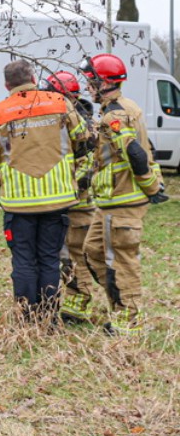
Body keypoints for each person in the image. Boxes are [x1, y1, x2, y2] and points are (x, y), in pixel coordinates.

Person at [0, 59, 89, 325]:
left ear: (6, 85)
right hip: (57, 199)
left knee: (23, 261)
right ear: (33, 79)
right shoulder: (60, 103)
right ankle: (49, 317)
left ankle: (26, 319)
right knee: (49, 259)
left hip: (18, 202)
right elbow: (84, 139)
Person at [80, 53, 167, 337]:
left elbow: (135, 153)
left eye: (91, 81)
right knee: (92, 252)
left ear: (105, 83)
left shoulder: (114, 115)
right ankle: (120, 307)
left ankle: (129, 322)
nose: (88, 86)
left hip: (123, 201)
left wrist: (151, 187)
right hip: (109, 202)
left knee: (122, 261)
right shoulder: (122, 108)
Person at [43, 70, 99, 325]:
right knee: (64, 256)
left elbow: (89, 165)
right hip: (60, 201)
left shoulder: (85, 125)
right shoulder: (58, 120)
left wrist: (70, 189)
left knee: (77, 256)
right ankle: (72, 303)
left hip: (78, 204)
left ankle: (78, 307)